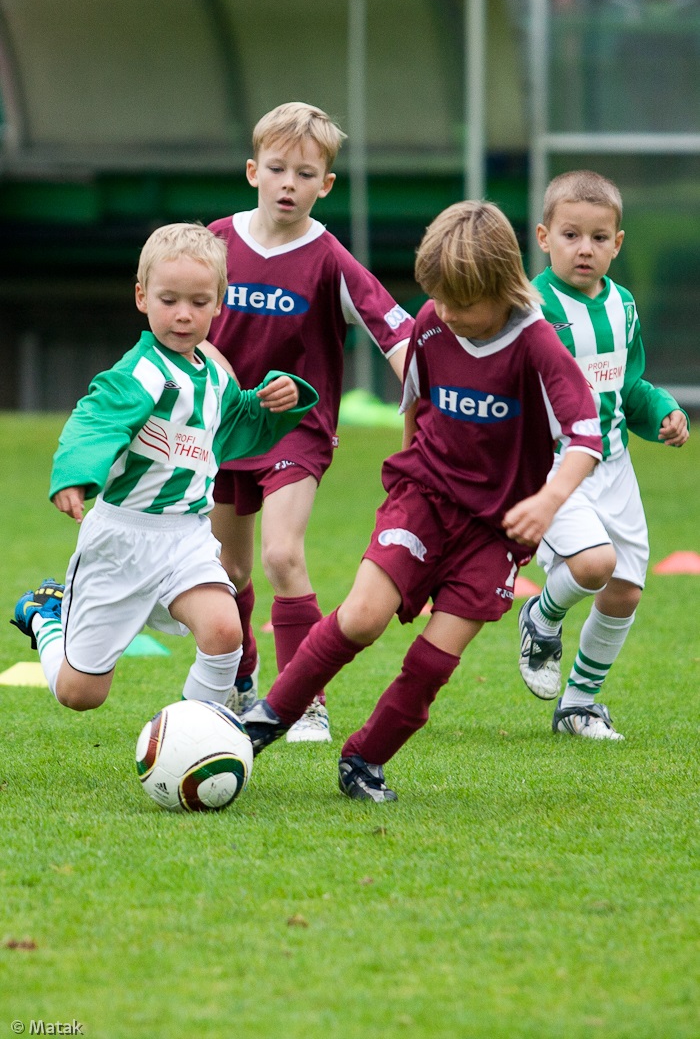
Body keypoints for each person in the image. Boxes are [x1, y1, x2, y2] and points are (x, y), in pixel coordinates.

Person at [240, 200, 604, 801]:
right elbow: (415, 402)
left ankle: (364, 759)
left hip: (495, 532)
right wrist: (408, 482)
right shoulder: (435, 322)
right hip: (423, 500)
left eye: (463, 303)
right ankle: (263, 721)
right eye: (440, 299)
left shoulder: (538, 346)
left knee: (436, 658)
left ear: (504, 287)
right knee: (361, 617)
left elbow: (586, 439)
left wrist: (548, 501)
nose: (448, 314)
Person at [10, 223, 317, 713]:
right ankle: (48, 616)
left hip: (186, 535)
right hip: (121, 539)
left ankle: (195, 739)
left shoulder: (215, 375)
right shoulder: (138, 373)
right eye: (168, 299)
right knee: (80, 694)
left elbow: (239, 425)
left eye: (198, 302)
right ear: (141, 297)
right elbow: (94, 421)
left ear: (220, 303)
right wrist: (74, 475)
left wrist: (282, 398)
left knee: (223, 630)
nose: (182, 314)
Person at [205, 101, 413, 744]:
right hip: (221, 431)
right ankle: (244, 682)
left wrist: (436, 400)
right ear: (252, 172)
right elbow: (174, 317)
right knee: (227, 572)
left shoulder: (329, 259)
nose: (288, 183)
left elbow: (398, 335)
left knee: (282, 555)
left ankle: (304, 700)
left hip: (296, 431)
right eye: (276, 169)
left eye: (304, 173)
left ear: (326, 184)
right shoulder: (215, 241)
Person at [518, 170, 689, 739]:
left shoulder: (624, 306)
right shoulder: (529, 308)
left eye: (597, 237)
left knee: (625, 591)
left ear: (618, 243)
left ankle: (578, 705)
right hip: (554, 469)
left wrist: (662, 409)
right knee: (593, 566)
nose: (583, 249)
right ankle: (540, 618)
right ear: (544, 237)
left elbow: (626, 385)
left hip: (614, 467)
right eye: (570, 235)